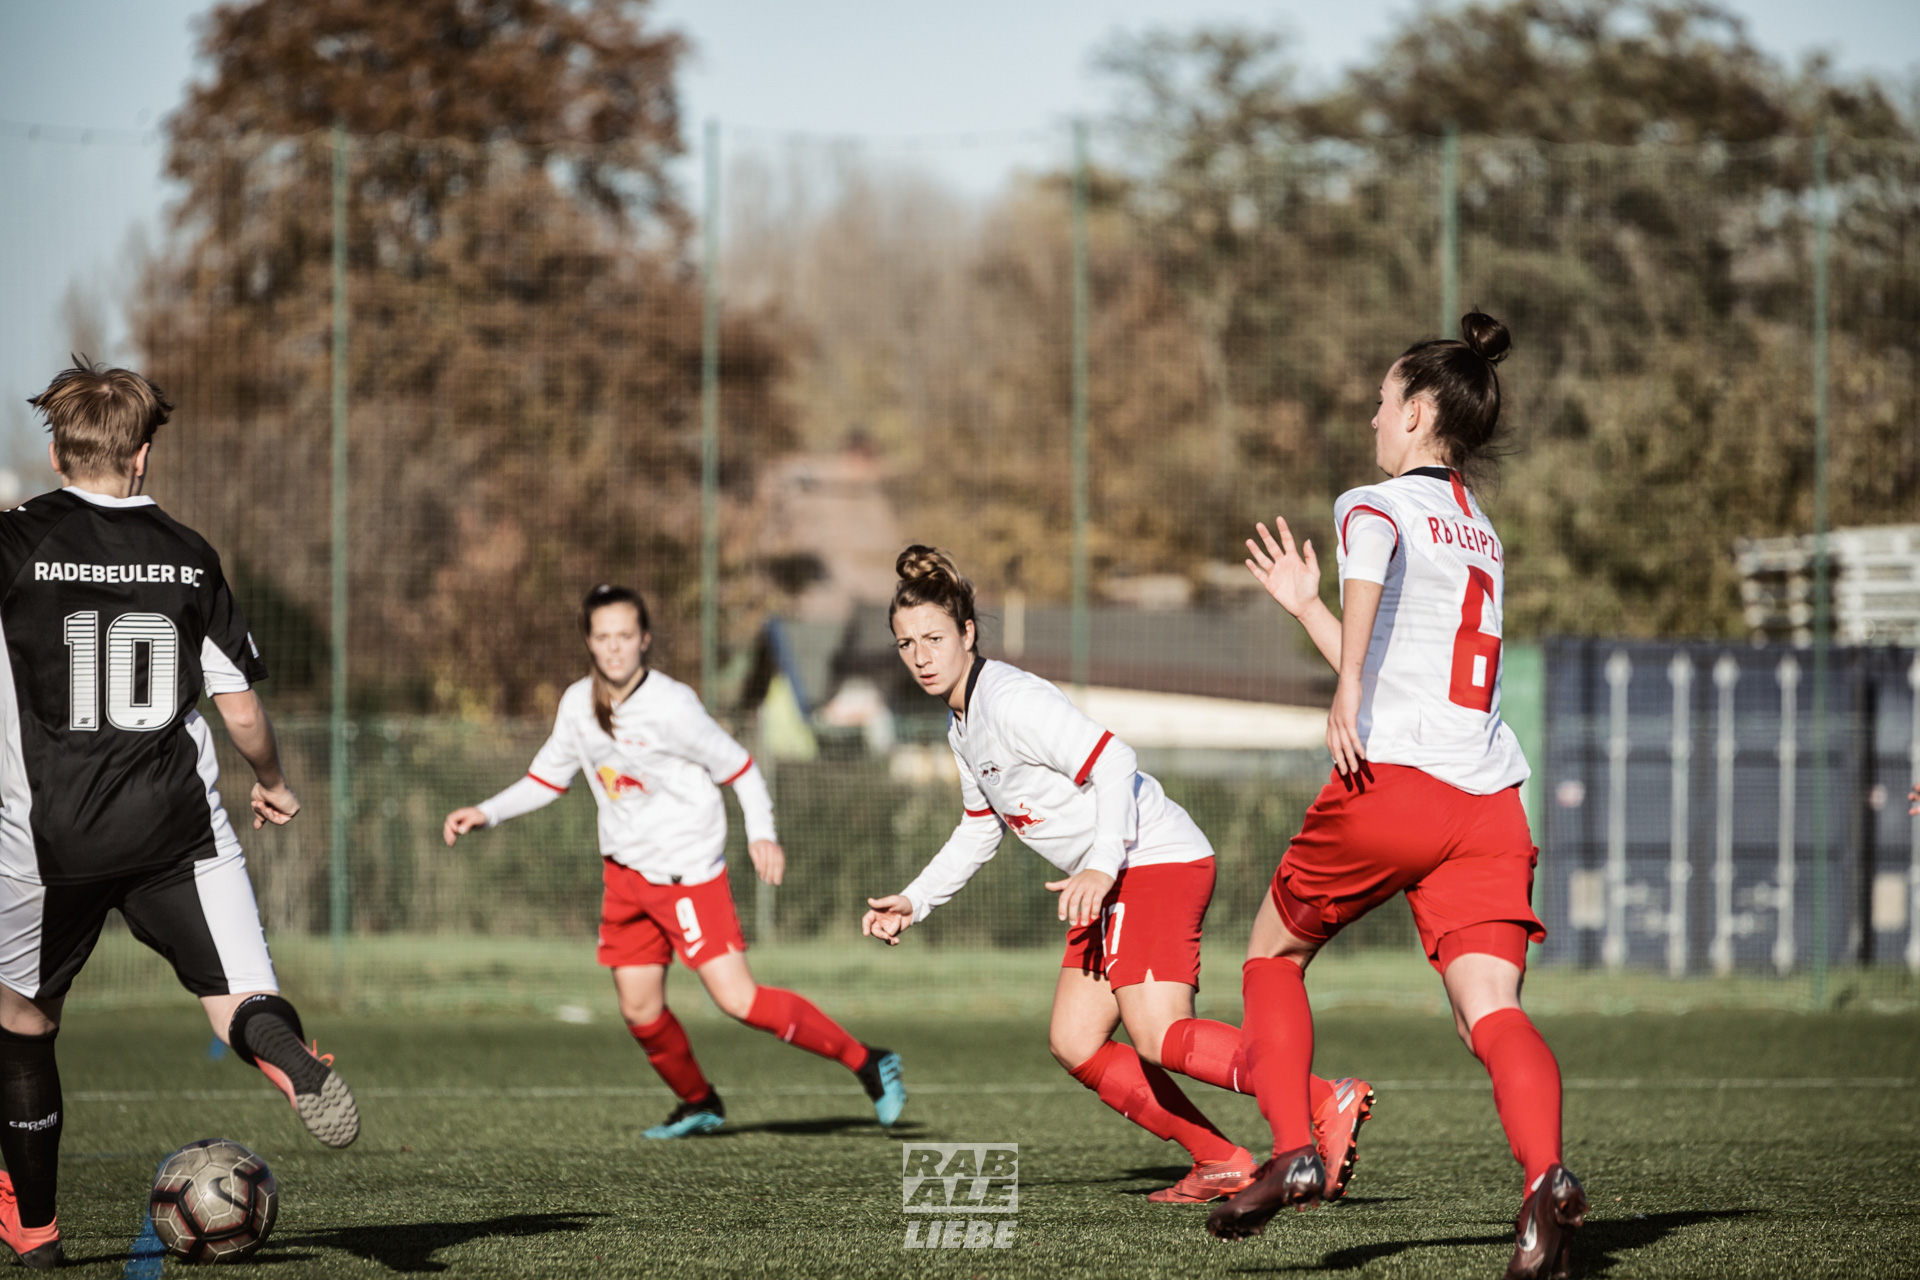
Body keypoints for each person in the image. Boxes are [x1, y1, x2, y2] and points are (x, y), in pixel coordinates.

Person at [1204, 314, 1584, 1280]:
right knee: (1489, 1011)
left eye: (1382, 400)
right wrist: (1308, 610)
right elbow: (1396, 666)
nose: (1372, 416)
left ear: (1417, 413)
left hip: (1396, 788)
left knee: (1270, 954)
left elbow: (1368, 582)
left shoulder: (1371, 504)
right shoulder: (1481, 532)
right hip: (1489, 800)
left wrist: (1341, 689)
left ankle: (1292, 1150)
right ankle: (1544, 1178)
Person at [862, 547, 1374, 1204]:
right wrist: (915, 900)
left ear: (967, 633)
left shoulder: (1010, 700)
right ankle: (1220, 1160)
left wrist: (1101, 867)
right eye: (906, 644)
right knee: (1075, 1041)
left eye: (933, 638)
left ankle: (1325, 1098)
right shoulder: (964, 726)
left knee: (1160, 1035)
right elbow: (981, 826)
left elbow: (1114, 761)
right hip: (1111, 876)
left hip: (1152, 860)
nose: (920, 656)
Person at [0, 363, 359, 1268]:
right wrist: (272, 780)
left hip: (50, 836)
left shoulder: (15, 542)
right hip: (177, 829)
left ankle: (35, 1232)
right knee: (238, 997)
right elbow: (239, 707)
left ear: (57, 452)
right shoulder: (189, 553)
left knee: (23, 1024)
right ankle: (289, 1058)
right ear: (143, 455)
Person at [443, 583, 905, 1138]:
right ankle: (698, 1103)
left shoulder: (671, 705)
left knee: (738, 1000)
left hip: (688, 877)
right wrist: (486, 812)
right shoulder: (576, 705)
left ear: (644, 639)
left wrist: (762, 834)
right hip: (625, 879)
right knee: (639, 1010)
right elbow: (546, 778)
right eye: (603, 637)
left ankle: (867, 1060)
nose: (614, 647)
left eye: (625, 635)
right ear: (589, 641)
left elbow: (740, 768)